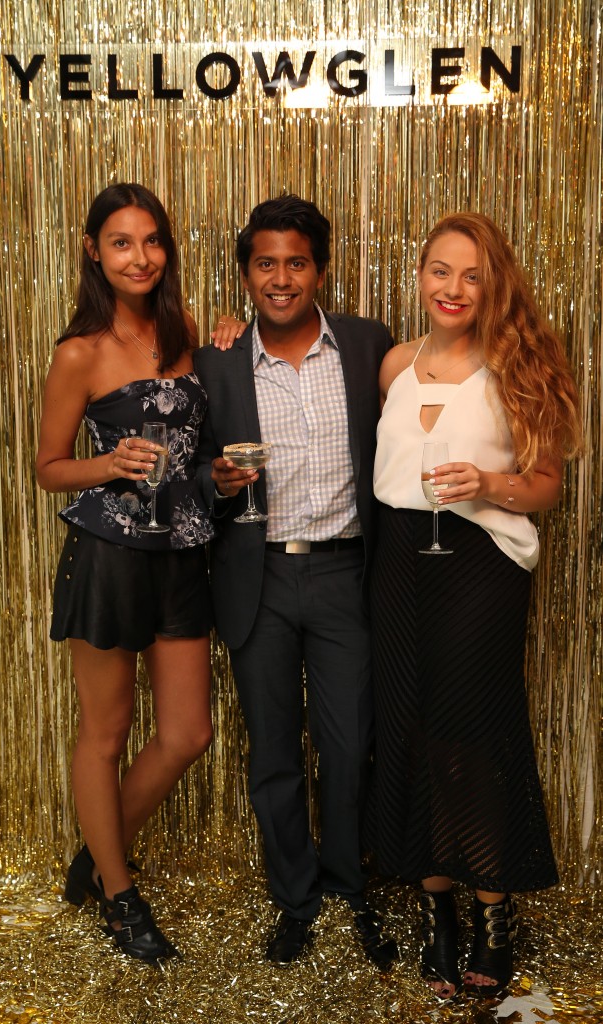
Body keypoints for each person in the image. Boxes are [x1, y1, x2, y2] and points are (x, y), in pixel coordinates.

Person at [365, 212, 583, 999]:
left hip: (481, 566)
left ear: (496, 285)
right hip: (399, 562)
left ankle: (494, 913)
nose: (453, 288)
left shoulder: (520, 366)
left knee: (472, 735)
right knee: (409, 725)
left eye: (472, 275)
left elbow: (546, 487)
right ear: (420, 275)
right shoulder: (395, 364)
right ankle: (438, 915)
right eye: (440, 270)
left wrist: (489, 484)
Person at [36, 183, 241, 963]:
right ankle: (120, 899)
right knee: (108, 731)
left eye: (152, 240)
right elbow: (49, 469)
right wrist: (108, 463)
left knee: (188, 732)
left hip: (183, 550)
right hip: (110, 556)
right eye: (121, 243)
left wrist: (233, 336)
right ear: (94, 252)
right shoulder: (79, 353)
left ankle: (99, 853)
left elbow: (200, 441)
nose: (140, 257)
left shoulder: (184, 332)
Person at [194, 195, 399, 967]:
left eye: (297, 263)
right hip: (259, 576)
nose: (281, 278)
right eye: (265, 264)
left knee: (349, 747)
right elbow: (189, 468)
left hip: (347, 571)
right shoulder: (216, 359)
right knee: (274, 751)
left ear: (321, 269)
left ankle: (349, 887)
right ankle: (295, 900)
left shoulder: (367, 343)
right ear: (246, 274)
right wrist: (216, 482)